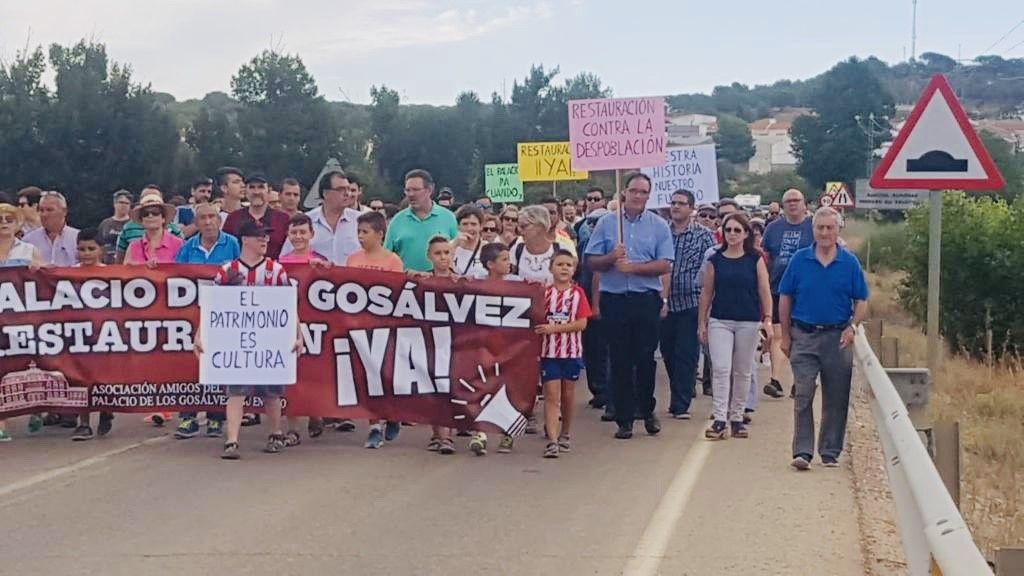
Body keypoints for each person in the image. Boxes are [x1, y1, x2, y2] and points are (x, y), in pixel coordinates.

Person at [193, 220, 301, 460]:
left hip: (269, 339)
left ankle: (275, 433)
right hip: (237, 341)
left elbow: (288, 305)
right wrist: (200, 334)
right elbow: (213, 307)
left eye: (265, 236)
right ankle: (232, 440)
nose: (264, 240)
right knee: (236, 390)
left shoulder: (276, 270)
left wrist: (297, 334)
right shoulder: (227, 270)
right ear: (244, 239)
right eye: (258, 236)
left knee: (272, 390)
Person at [779, 207, 869, 470]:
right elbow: (785, 297)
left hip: (837, 336)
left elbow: (861, 299)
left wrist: (853, 326)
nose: (825, 233)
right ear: (813, 230)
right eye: (820, 228)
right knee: (803, 392)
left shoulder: (849, 262)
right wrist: (785, 336)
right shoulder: (799, 260)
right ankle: (803, 451)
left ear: (838, 230)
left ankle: (829, 451)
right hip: (804, 335)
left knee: (836, 396)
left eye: (830, 228)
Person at [585, 173, 673, 440]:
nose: (637, 196)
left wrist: (633, 268)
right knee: (620, 359)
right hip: (615, 300)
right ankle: (623, 418)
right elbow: (591, 260)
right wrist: (612, 257)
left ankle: (647, 410)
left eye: (643, 191)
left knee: (645, 358)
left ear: (649, 195)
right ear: (624, 192)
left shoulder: (659, 226)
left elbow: (665, 264)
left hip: (645, 299)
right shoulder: (606, 224)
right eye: (633, 190)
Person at [698, 213, 773, 440]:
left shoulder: (755, 259)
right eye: (728, 230)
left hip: (748, 321)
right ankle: (720, 418)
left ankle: (737, 417)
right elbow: (707, 292)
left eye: (737, 230)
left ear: (746, 234)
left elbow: (764, 290)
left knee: (742, 370)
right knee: (721, 369)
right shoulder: (715, 259)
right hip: (720, 320)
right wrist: (702, 322)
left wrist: (767, 319)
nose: (732, 234)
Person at [173, 202, 241, 439]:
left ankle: (216, 418)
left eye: (213, 217)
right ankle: (188, 416)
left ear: (220, 221)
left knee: (219, 364)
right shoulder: (188, 247)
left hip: (224, 313)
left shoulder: (232, 243)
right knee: (190, 364)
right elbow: (174, 277)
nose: (208, 222)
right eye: (203, 218)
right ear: (197, 222)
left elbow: (241, 271)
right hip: (193, 312)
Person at [344, 211, 405, 449]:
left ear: (380, 234)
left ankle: (391, 413)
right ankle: (373, 426)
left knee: (385, 376)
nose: (360, 237)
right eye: (358, 232)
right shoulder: (353, 259)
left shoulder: (392, 261)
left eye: (365, 232)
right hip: (360, 326)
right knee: (367, 376)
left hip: (385, 326)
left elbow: (399, 294)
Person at [661, 189, 715, 420]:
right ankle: (677, 391)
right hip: (664, 303)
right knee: (668, 352)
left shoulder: (703, 235)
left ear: (691, 208)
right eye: (673, 203)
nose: (676, 207)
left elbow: (711, 269)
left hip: (691, 301)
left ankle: (681, 402)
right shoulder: (661, 232)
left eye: (681, 203)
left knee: (686, 353)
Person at [536, 249, 591, 458]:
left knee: (568, 396)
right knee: (551, 396)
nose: (564, 268)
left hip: (571, 352)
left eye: (568, 265)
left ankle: (565, 433)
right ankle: (552, 439)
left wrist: (554, 329)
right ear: (551, 268)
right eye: (560, 264)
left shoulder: (578, 294)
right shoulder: (543, 293)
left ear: (574, 269)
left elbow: (582, 323)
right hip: (548, 353)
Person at [762, 188, 814, 399]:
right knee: (778, 333)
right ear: (782, 206)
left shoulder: (813, 227)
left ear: (804, 204)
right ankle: (775, 379)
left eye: (796, 200)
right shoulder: (773, 229)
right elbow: (765, 257)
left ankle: (798, 381)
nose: (792, 204)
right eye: (788, 201)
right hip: (777, 288)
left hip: (807, 289)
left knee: (802, 335)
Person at [0, 201, 44, 442]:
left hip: (24, 318)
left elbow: (52, 276)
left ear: (17, 223)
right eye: (0, 220)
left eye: (9, 219)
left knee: (29, 365)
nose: (4, 224)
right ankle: (1, 422)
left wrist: (39, 268)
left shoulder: (28, 250)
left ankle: (35, 409)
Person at [70, 228, 117, 441]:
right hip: (79, 333)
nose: (86, 253)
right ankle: (84, 423)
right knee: (81, 378)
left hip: (105, 333)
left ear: (101, 250)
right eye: (81, 249)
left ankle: (106, 410)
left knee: (104, 377)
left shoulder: (112, 273)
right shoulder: (67, 273)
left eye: (91, 249)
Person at [422, 236, 458, 455]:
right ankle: (437, 433)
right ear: (429, 256)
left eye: (447, 253)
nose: (443, 258)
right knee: (433, 388)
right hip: (428, 342)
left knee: (448, 388)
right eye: (438, 253)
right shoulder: (421, 280)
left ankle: (446, 436)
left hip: (454, 343)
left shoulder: (462, 282)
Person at [385, 169, 459, 273]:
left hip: (439, 285)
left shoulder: (448, 218)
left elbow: (458, 252)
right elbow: (386, 257)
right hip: (407, 285)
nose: (411, 194)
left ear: (429, 189)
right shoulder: (397, 220)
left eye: (415, 190)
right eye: (408, 190)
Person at [223, 173, 290, 260]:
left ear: (268, 191)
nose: (256, 192)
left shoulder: (283, 219)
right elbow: (226, 249)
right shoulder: (233, 218)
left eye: (261, 187)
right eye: (252, 187)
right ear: (245, 191)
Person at [115, 187, 185, 263]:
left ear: (163, 218)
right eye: (145, 213)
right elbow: (124, 271)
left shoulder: (178, 244)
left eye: (155, 212)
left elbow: (184, 270)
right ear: (141, 220)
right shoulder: (133, 246)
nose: (150, 215)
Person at [23, 191, 79, 267]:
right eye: (41, 210)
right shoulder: (28, 241)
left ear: (64, 211)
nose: (44, 214)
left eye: (49, 210)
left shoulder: (77, 238)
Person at [452, 203, 488, 278]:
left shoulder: (488, 248)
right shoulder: (450, 246)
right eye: (465, 224)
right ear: (458, 226)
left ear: (481, 226)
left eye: (473, 224)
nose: (469, 228)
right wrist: (454, 245)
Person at [97, 190, 133, 264]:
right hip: (106, 266)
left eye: (127, 203)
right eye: (121, 202)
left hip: (126, 266)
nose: (124, 205)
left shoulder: (133, 224)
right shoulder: (105, 224)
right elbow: (98, 246)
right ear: (114, 204)